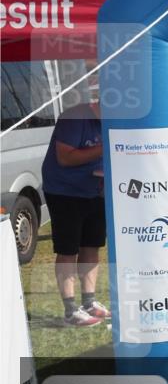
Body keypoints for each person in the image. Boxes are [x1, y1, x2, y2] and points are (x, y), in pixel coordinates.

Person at [41, 97, 111, 327]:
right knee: (68, 250)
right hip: (64, 192)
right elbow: (65, 158)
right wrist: (107, 145)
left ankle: (89, 302)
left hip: (95, 190)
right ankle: (71, 310)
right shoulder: (75, 117)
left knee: (92, 246)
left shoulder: (110, 121)